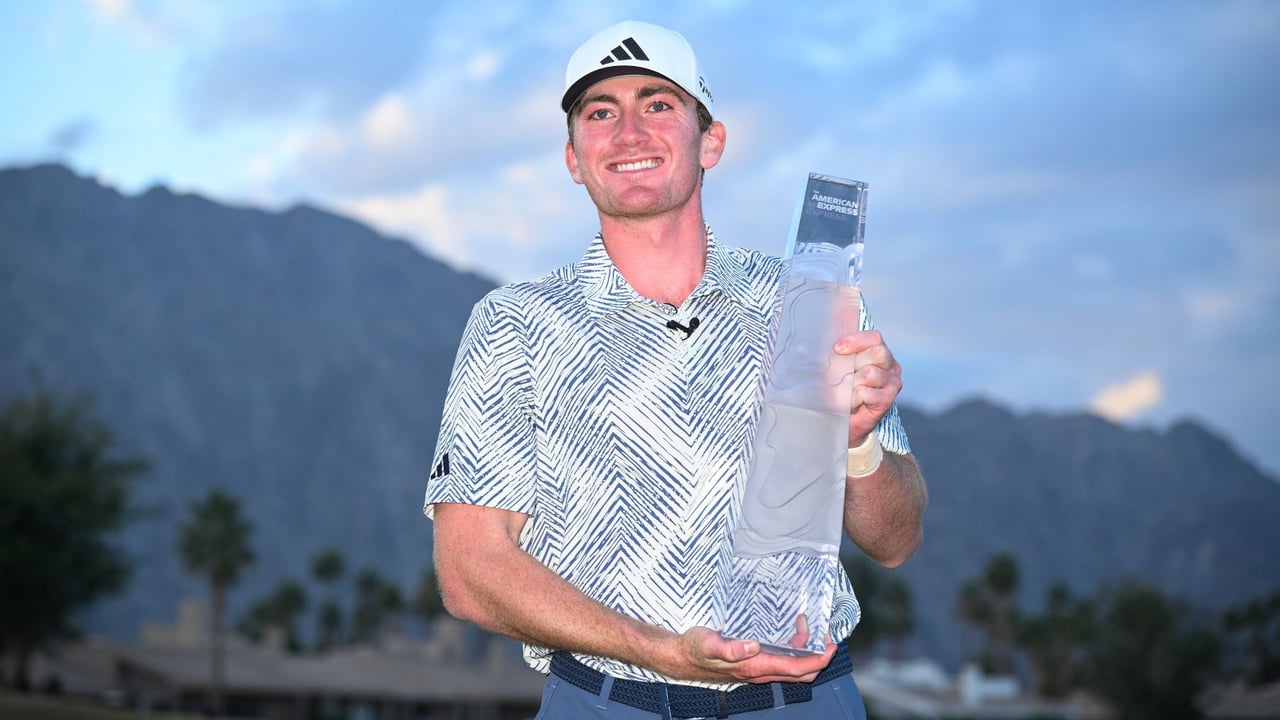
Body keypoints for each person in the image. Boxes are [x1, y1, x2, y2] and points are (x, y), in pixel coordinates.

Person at [424, 19, 927, 719]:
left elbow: (896, 541)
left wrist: (858, 443)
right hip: (604, 703)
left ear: (710, 140)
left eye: (658, 104)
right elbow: (469, 570)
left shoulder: (811, 304)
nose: (629, 132)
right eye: (600, 113)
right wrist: (659, 651)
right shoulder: (515, 324)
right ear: (574, 158)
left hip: (804, 700)